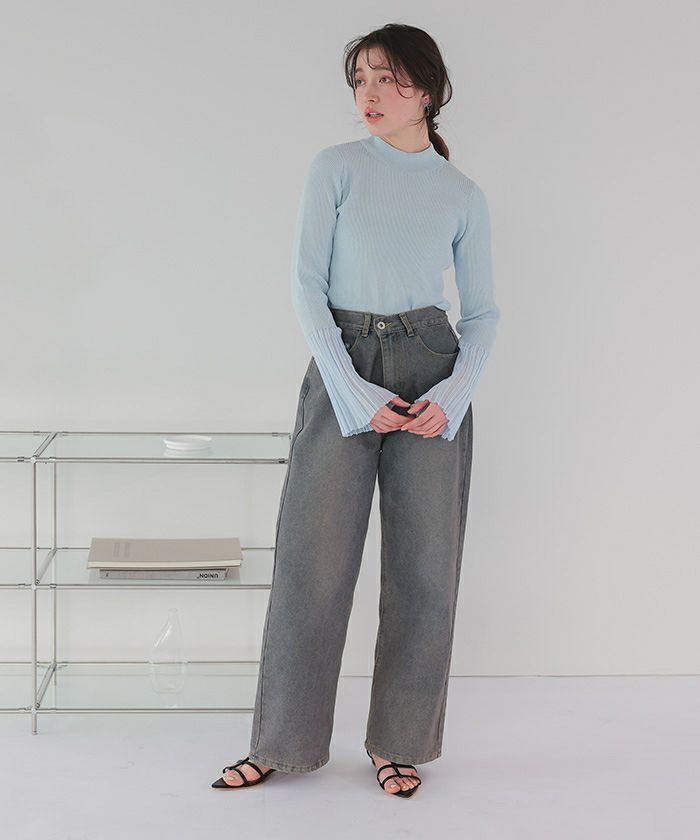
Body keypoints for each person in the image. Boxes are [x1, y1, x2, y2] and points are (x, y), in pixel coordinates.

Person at [211, 22, 500, 797]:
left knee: (424, 572)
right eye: (360, 80)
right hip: (345, 360)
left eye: (387, 78)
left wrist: (451, 398)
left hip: (432, 370)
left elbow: (482, 315)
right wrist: (352, 392)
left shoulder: (462, 194)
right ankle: (280, 743)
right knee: (311, 563)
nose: (369, 94)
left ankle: (398, 744)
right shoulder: (335, 167)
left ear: (427, 91)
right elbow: (306, 287)